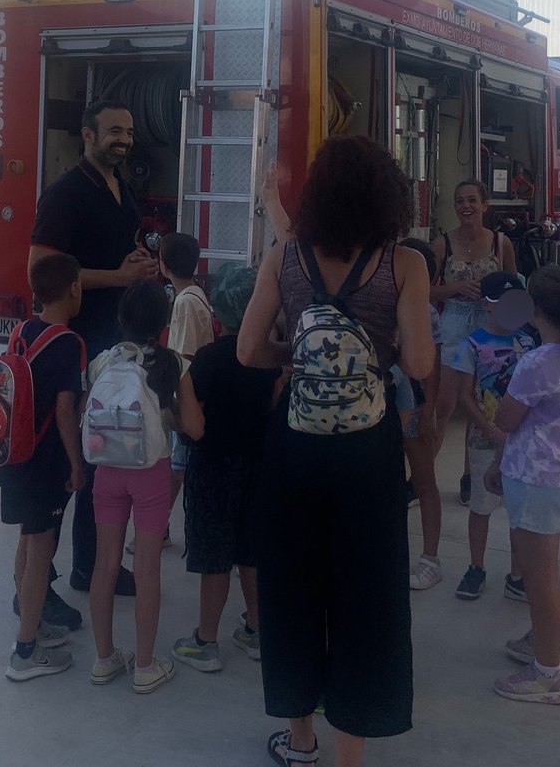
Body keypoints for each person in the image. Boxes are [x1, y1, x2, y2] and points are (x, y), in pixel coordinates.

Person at [238, 135, 433, 767]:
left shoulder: (283, 256)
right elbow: (423, 361)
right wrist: (377, 357)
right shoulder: (403, 264)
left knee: (292, 587)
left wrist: (296, 358)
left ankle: (300, 743)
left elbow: (246, 352)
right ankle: (351, 753)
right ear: (388, 197)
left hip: (296, 446)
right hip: (368, 453)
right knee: (368, 592)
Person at [28, 98, 157, 612]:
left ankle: (89, 563)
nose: (123, 139)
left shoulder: (120, 187)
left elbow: (110, 253)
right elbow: (41, 268)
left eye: (128, 131)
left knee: (98, 457)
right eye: (113, 131)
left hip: (107, 346)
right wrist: (120, 277)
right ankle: (40, 587)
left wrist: (138, 264)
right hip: (73, 348)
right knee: (66, 463)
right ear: (87, 134)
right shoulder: (65, 194)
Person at [487, 266, 560, 704]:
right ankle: (541, 643)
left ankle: (549, 672)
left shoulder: (537, 362)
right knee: (541, 571)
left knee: (540, 576)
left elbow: (506, 419)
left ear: (534, 309)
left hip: (536, 478)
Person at [172, 262, 279, 671]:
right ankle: (256, 629)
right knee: (251, 550)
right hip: (260, 467)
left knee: (214, 556)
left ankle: (206, 641)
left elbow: (191, 423)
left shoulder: (209, 359)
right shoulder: (271, 359)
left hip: (213, 470)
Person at [88, 280, 183, 694]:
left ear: (121, 317)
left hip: (106, 468)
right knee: (146, 569)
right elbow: (194, 425)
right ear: (163, 322)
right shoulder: (170, 364)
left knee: (104, 564)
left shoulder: (101, 363)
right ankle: (145, 666)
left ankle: (105, 659)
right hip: (151, 473)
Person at [0, 253, 85, 682]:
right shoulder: (69, 342)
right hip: (46, 462)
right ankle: (26, 651)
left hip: (13, 455)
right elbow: (66, 410)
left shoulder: (21, 332)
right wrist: (76, 462)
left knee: (28, 540)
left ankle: (32, 623)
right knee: (41, 548)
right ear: (73, 288)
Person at [452, 273, 533, 603]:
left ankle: (517, 574)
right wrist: (491, 431)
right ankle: (476, 567)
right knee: (481, 506)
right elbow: (465, 396)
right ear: (487, 304)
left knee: (519, 511)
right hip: (484, 440)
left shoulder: (530, 342)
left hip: (522, 440)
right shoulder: (471, 345)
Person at [429, 179, 517, 470]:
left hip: (490, 329)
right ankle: (421, 477)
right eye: (459, 201)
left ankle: (472, 475)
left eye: (471, 200)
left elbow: (514, 290)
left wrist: (495, 302)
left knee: (483, 405)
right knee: (444, 405)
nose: (465, 206)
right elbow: (424, 290)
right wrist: (456, 288)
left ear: (484, 205)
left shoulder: (501, 244)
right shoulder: (442, 244)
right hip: (453, 324)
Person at [159, 231, 216, 546]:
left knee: (176, 468)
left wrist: (177, 405)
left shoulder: (183, 302)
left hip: (188, 398)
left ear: (163, 265)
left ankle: (159, 528)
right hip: (196, 396)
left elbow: (184, 358)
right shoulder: (196, 295)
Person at [397, 239, 444, 592]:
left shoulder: (426, 312)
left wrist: (428, 411)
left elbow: (433, 365)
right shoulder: (383, 299)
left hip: (412, 403)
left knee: (424, 480)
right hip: (383, 403)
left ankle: (430, 558)